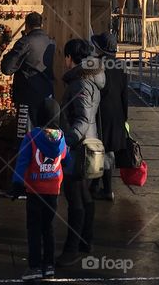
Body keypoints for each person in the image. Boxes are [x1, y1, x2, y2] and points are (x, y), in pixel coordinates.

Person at [13, 97, 72, 281]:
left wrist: (16, 184)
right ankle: (49, 266)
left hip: (34, 190)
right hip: (53, 190)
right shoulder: (61, 139)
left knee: (34, 229)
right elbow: (67, 161)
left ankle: (34, 267)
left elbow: (22, 163)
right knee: (49, 229)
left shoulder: (31, 138)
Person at [58, 38, 105, 266]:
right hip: (90, 142)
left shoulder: (80, 83)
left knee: (75, 196)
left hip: (79, 147)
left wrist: (65, 143)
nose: (64, 61)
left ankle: (72, 248)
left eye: (65, 56)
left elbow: (83, 118)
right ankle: (87, 240)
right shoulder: (91, 78)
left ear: (71, 58)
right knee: (85, 195)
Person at [1, 12, 55, 136]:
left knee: (25, 135)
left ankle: (26, 156)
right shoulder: (50, 41)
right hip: (47, 93)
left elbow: (7, 68)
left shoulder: (25, 42)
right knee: (43, 133)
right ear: (41, 24)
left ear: (27, 25)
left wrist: (7, 56)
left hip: (27, 95)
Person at [91, 32, 128, 201]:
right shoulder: (120, 66)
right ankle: (101, 186)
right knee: (109, 150)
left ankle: (106, 189)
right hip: (117, 113)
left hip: (101, 113)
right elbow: (124, 94)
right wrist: (124, 117)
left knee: (101, 151)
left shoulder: (96, 65)